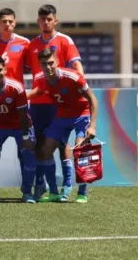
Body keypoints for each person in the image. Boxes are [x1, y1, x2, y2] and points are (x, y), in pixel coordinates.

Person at [26, 4, 84, 201]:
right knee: (42, 145)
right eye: (43, 19)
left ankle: (67, 186)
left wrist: (78, 91)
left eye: (49, 19)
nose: (46, 22)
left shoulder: (64, 41)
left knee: (63, 143)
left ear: (55, 20)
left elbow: (77, 66)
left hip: (58, 102)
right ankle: (49, 188)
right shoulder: (32, 45)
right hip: (38, 102)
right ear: (38, 21)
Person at [28, 48, 98, 203]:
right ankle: (53, 192)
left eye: (51, 62)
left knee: (80, 150)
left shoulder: (72, 76)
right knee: (46, 149)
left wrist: (92, 126)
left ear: (57, 61)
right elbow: (37, 92)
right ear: (40, 65)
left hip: (81, 114)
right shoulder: (41, 78)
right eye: (44, 64)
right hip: (62, 115)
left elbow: (93, 99)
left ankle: (81, 192)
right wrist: (17, 97)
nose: (48, 67)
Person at [0, 8, 30, 193]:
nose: (7, 24)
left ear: (15, 23)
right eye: (3, 21)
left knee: (24, 149)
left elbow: (38, 68)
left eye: (10, 21)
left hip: (17, 104)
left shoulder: (25, 43)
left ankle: (29, 188)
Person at [0, 56, 36, 203]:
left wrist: (26, 138)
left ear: (5, 70)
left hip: (20, 126)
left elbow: (23, 116)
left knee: (28, 153)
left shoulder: (16, 87)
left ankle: (27, 192)